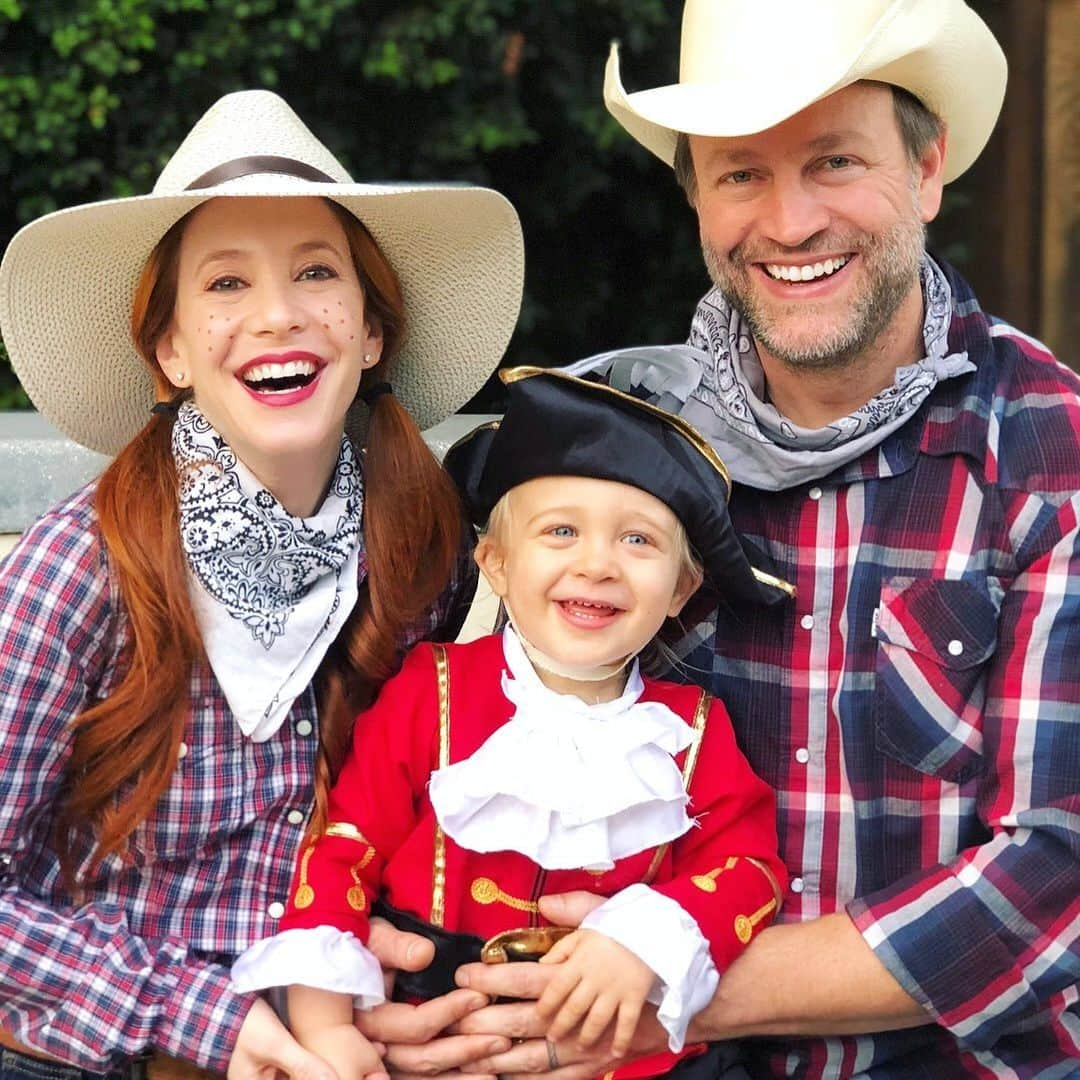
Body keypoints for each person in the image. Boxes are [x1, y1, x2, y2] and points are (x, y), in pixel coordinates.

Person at [375, 1, 1080, 1077]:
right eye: (742, 173)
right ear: (697, 198)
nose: (791, 223)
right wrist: (381, 959)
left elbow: (1055, 877)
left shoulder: (1046, 450)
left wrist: (661, 990)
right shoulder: (606, 433)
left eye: (835, 161)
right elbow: (408, 723)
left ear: (928, 170)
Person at [0, 89, 524, 1080]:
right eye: (227, 284)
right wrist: (211, 1022)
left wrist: (413, 981)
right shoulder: (80, 570)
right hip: (101, 1050)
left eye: (316, 272)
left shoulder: (425, 547)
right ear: (171, 351)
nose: (277, 314)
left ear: (371, 331)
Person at [230, 364, 792, 1080]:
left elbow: (748, 869)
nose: (597, 564)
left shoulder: (694, 731)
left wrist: (646, 938)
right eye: (561, 530)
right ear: (494, 561)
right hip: (428, 1046)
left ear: (682, 589)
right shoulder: (428, 692)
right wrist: (323, 1022)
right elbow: (343, 847)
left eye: (639, 541)